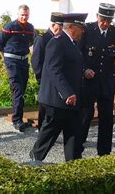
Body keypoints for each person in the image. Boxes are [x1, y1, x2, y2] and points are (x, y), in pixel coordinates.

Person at [29, 13, 87, 163]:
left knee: (73, 134)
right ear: (72, 27)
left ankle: (73, 164)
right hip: (58, 100)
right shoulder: (58, 42)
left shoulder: (71, 43)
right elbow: (53, 70)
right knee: (49, 133)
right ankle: (35, 159)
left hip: (71, 101)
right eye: (81, 28)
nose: (83, 32)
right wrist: (67, 93)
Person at [78, 3, 115, 157]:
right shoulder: (86, 30)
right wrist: (84, 70)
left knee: (106, 117)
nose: (105, 23)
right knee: (85, 115)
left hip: (107, 80)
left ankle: (104, 152)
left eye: (108, 20)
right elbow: (78, 53)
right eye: (103, 20)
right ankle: (77, 148)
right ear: (97, 17)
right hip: (89, 80)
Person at [0, 5, 35, 132]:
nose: (24, 17)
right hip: (12, 62)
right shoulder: (9, 27)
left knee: (21, 91)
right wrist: (5, 60)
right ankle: (17, 120)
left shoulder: (30, 28)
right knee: (17, 90)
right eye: (22, 15)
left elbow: (31, 44)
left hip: (23, 62)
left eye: (26, 15)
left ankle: (19, 116)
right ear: (17, 14)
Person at [31, 12, 64, 130]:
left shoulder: (60, 39)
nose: (61, 30)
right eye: (60, 27)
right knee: (44, 108)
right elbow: (36, 61)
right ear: (54, 25)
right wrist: (41, 78)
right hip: (45, 80)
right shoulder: (43, 39)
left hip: (56, 79)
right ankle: (42, 130)